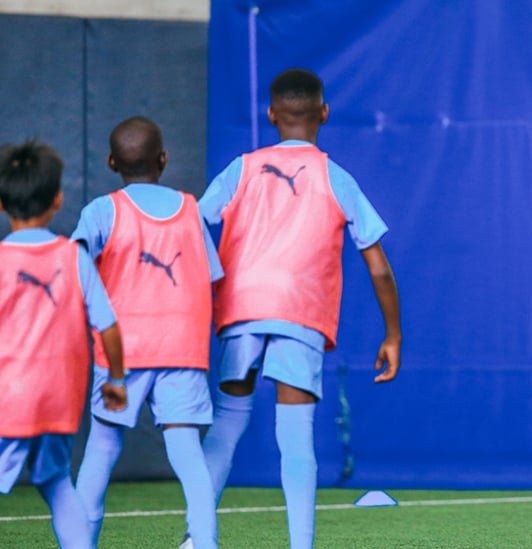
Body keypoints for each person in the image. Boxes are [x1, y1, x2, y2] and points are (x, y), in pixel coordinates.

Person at [190, 67, 402, 549]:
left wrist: (213, 279)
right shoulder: (336, 176)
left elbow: (190, 225)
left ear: (271, 114)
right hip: (300, 311)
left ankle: (197, 538)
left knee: (227, 422)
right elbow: (379, 267)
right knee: (296, 434)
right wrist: (393, 334)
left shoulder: (241, 168)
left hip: (241, 307)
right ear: (323, 113)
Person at [71, 117, 222, 549]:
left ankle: (80, 543)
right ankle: (205, 542)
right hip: (183, 351)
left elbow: (75, 268)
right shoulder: (191, 210)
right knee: (188, 452)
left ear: (111, 162)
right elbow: (210, 275)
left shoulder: (101, 211)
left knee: (101, 447)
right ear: (164, 159)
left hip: (122, 354)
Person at [0, 140, 127, 549]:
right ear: (57, 200)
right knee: (56, 482)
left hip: (9, 397)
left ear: (1, 204)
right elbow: (108, 326)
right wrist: (118, 380)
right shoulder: (75, 258)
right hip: (59, 399)